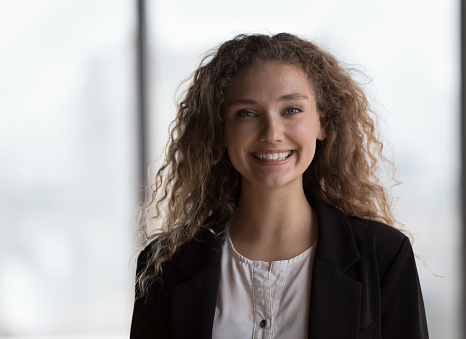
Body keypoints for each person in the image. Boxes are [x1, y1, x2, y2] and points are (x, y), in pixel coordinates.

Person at [130, 33, 429, 339]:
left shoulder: (384, 257)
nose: (272, 133)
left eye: (291, 110)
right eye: (247, 113)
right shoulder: (164, 266)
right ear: (221, 130)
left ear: (322, 123)